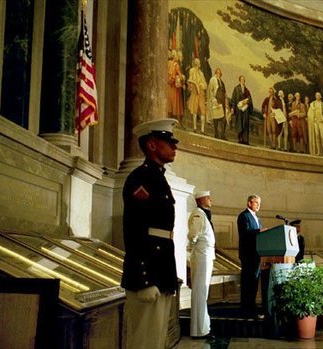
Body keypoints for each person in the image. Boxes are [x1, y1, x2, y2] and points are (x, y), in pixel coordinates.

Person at [121, 118, 179, 349]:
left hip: (161, 269)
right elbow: (134, 228)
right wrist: (143, 278)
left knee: (155, 340)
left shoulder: (157, 178)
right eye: (169, 142)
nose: (175, 147)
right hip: (148, 272)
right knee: (143, 341)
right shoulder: (140, 178)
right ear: (152, 145)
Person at [187, 190, 216, 340]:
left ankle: (202, 328)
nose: (211, 200)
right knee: (200, 292)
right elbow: (193, 235)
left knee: (202, 292)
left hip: (205, 254)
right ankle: (199, 330)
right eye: (208, 198)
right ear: (201, 200)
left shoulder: (203, 214)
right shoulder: (198, 214)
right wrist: (196, 248)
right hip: (202, 254)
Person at [237, 194, 266, 316]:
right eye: (256, 203)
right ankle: (246, 307)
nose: (258, 206)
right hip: (248, 254)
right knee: (248, 281)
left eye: (259, 203)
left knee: (254, 281)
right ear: (249, 203)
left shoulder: (258, 219)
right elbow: (245, 233)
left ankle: (252, 305)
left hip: (257, 254)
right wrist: (259, 231)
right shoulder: (244, 216)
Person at [307, 92, 323, 156]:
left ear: (320, 96)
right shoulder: (313, 104)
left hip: (321, 122)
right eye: (317, 95)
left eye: (319, 95)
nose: (318, 96)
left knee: (322, 136)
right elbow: (309, 114)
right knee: (317, 136)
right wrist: (313, 119)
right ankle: (318, 151)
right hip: (316, 122)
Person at [231, 75, 253, 145]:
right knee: (240, 124)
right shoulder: (236, 89)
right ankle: (240, 138)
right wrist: (233, 108)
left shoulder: (247, 90)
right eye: (241, 79)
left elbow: (250, 99)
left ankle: (245, 140)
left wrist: (247, 102)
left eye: (243, 79)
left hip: (245, 110)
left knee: (245, 124)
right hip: (239, 109)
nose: (242, 80)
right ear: (239, 80)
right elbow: (234, 99)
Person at [187, 58, 207, 134]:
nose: (199, 64)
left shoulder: (201, 73)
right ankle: (194, 127)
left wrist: (202, 85)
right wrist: (194, 85)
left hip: (201, 94)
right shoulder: (192, 70)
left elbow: (205, 83)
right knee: (194, 110)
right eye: (198, 63)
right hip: (195, 93)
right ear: (196, 63)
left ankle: (202, 129)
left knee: (203, 111)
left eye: (199, 63)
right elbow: (190, 80)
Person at [207, 68, 227, 139]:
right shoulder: (213, 80)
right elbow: (210, 90)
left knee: (224, 119)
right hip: (216, 100)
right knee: (216, 118)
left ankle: (222, 134)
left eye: (220, 73)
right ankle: (216, 134)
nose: (218, 74)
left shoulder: (222, 82)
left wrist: (226, 102)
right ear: (215, 73)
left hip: (222, 102)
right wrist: (213, 99)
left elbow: (224, 93)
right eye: (217, 72)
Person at [167, 50, 185, 126]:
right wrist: (183, 80)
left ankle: (169, 120)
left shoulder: (169, 63)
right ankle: (175, 122)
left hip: (168, 86)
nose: (179, 58)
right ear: (176, 57)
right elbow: (180, 76)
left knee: (170, 103)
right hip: (174, 87)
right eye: (178, 56)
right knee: (175, 104)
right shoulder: (176, 65)